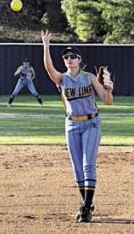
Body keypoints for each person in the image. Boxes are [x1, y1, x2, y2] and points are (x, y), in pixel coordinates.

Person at [41, 30, 114, 223]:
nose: (69, 59)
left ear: (79, 59)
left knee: (87, 164)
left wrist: (108, 89)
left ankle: (86, 208)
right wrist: (46, 47)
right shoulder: (62, 79)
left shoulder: (89, 77)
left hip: (91, 123)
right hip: (71, 125)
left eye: (73, 56)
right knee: (77, 168)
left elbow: (107, 101)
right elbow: (49, 70)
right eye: (66, 57)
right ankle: (87, 204)